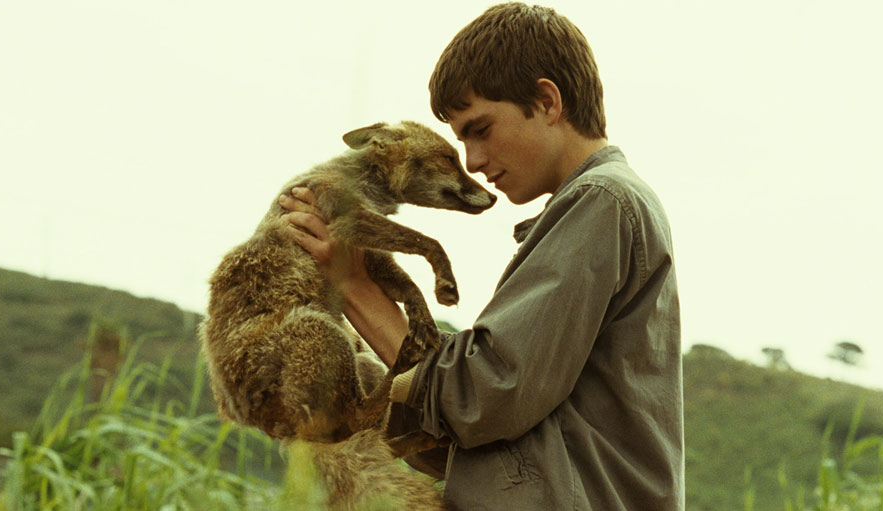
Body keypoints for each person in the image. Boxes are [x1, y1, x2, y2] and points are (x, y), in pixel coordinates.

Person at [279, 3, 683, 509]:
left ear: (547, 101)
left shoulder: (601, 200)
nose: (472, 161)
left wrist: (356, 284)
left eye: (480, 129)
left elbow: (488, 396)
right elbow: (487, 439)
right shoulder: (601, 205)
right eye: (460, 139)